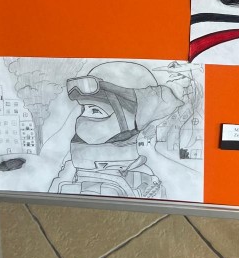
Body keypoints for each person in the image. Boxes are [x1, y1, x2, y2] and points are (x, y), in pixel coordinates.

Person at [49, 61, 194, 198]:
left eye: (95, 110)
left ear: (138, 117)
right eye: (83, 109)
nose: (82, 120)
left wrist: (151, 157)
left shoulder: (153, 173)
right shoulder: (69, 171)